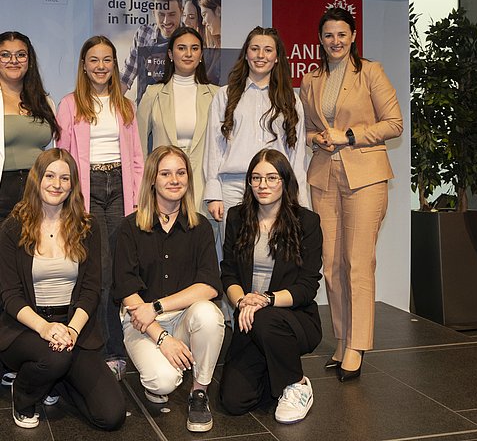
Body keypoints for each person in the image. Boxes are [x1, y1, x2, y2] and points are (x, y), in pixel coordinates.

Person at [300, 7, 403, 381]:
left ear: (354, 35)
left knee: (358, 264)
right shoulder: (311, 80)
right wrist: (318, 138)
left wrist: (349, 136)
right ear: (320, 39)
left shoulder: (371, 72)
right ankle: (342, 338)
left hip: (366, 177)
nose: (335, 41)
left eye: (342, 34)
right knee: (331, 264)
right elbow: (307, 130)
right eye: (328, 35)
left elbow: (394, 124)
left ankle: (357, 346)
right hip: (325, 177)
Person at [0, 148, 126, 430]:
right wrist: (45, 328)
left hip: (73, 328)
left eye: (65, 178)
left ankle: (56, 381)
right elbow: (9, 296)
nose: (57, 184)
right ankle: (23, 395)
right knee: (54, 357)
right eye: (50, 176)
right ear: (37, 179)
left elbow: (92, 289)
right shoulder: (12, 228)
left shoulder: (87, 227)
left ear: (72, 184)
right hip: (26, 329)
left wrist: (71, 330)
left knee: (111, 416)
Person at [113, 145, 224, 433]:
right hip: (142, 323)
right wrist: (161, 337)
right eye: (166, 173)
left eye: (180, 173)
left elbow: (210, 285)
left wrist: (159, 306)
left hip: (181, 317)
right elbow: (126, 289)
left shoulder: (200, 228)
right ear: (152, 179)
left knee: (209, 315)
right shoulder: (130, 228)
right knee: (162, 382)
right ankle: (164, 368)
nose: (174, 180)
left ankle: (199, 393)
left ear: (188, 179)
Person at [56, 35, 144, 380]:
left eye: (107, 60)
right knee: (100, 273)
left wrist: (135, 201)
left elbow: (136, 158)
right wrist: (68, 201)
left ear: (115, 64)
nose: (101, 66)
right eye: (94, 60)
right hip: (87, 192)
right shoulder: (69, 104)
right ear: (84, 64)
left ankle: (119, 345)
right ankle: (107, 350)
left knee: (119, 270)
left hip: (119, 190)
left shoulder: (125, 104)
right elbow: (63, 157)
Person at [219, 148, 322, 424]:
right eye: (256, 178)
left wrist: (265, 299)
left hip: (293, 318)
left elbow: (307, 286)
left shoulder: (307, 222)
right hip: (248, 318)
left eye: (271, 178)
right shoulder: (237, 217)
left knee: (266, 320)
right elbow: (228, 273)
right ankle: (274, 365)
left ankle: (298, 384)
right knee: (234, 401)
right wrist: (242, 302)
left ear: (285, 182)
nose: (262, 185)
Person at [204, 26, 308, 242]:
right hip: (233, 188)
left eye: (268, 50)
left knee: (273, 254)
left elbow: (297, 154)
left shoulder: (291, 99)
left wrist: (299, 199)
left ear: (277, 57)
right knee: (233, 258)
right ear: (246, 54)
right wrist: (214, 194)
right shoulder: (225, 95)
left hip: (276, 189)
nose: (261, 55)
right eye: (255, 49)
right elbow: (214, 148)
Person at [137, 26, 218, 216]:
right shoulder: (153, 94)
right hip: (163, 188)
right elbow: (138, 148)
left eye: (195, 48)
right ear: (170, 54)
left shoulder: (217, 95)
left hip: (203, 187)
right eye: (181, 48)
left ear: (201, 55)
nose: (188, 54)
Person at [0, 31, 59, 222]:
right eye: (5, 55)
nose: (13, 60)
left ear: (29, 60)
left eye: (21, 54)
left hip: (39, 191)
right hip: (3, 191)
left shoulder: (45, 101)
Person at [121, 0, 183, 102]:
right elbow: (126, 75)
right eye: (161, 14)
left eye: (172, 14)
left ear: (182, 11)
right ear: (153, 13)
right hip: (145, 110)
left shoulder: (191, 38)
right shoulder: (143, 34)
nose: (166, 21)